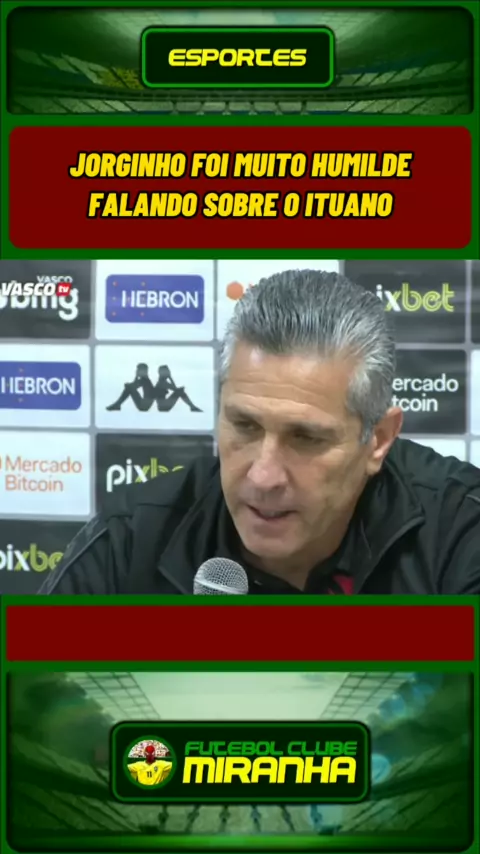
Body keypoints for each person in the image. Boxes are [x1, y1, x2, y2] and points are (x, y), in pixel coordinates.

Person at [39, 270, 480, 595]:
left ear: (378, 439)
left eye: (306, 438)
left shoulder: (460, 533)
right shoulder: (132, 541)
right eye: (245, 426)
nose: (263, 477)